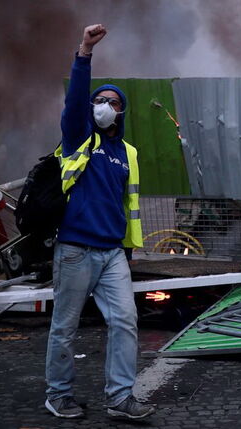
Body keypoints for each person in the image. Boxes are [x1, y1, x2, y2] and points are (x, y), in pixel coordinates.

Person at [44, 24, 154, 420]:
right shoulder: (78, 136)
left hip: (111, 254)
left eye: (113, 101)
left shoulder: (127, 153)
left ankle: (120, 397)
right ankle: (58, 395)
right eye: (100, 100)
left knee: (125, 321)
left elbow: (128, 205)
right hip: (74, 248)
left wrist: (128, 249)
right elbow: (75, 101)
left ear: (121, 112)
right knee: (65, 327)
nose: (105, 105)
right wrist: (84, 52)